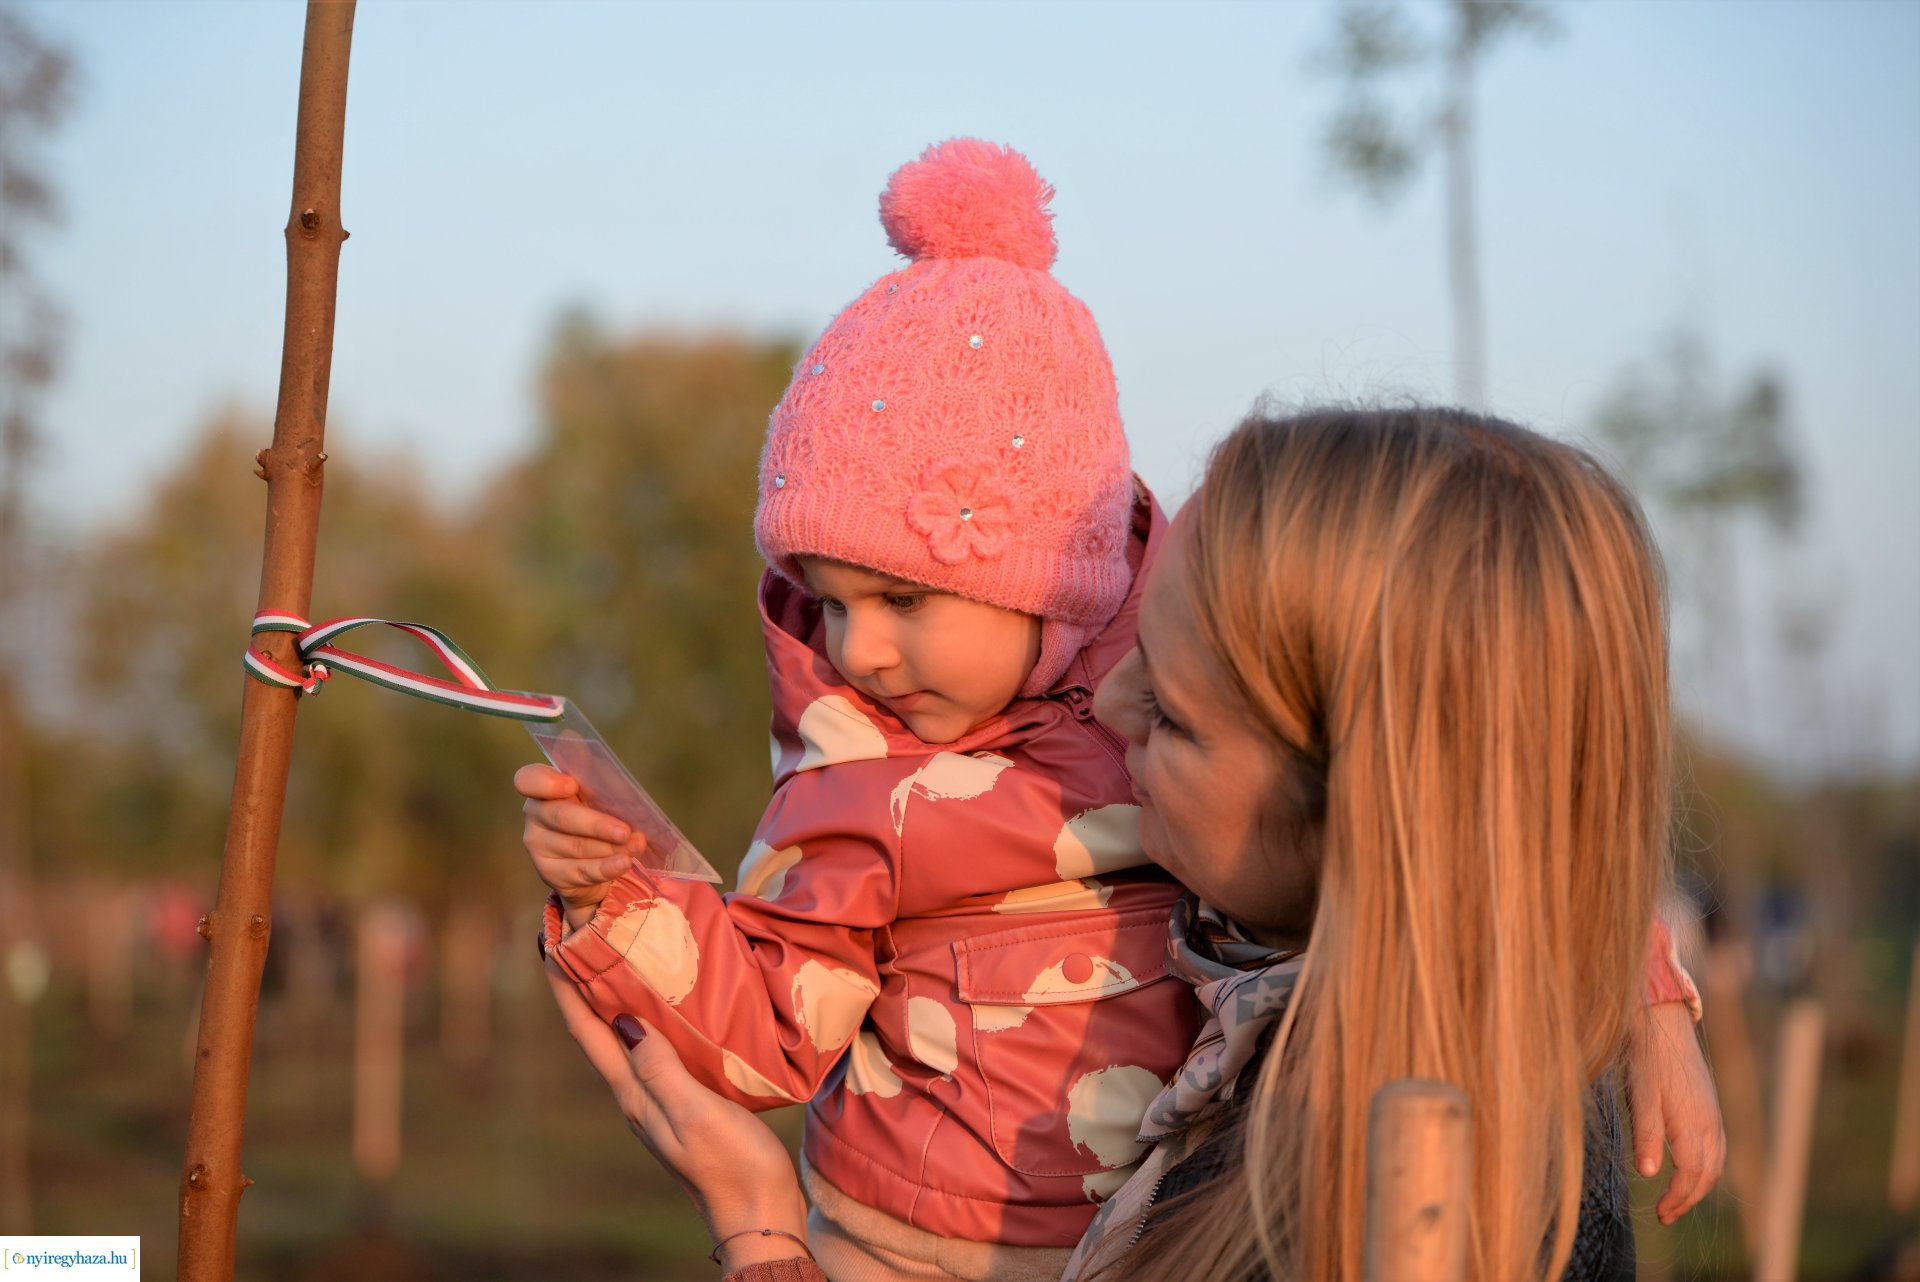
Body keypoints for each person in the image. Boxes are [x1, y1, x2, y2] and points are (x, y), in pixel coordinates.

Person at [543, 406, 1727, 1282]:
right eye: (1122, 658)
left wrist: (762, 1235)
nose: (1105, 716)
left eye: (1172, 713)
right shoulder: (1298, 1043)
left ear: (1372, 804)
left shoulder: (1349, 1217)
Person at [524, 138, 1200, 1282]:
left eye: (902, 595)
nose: (862, 650)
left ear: (1062, 569)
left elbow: (1417, 803)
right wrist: (615, 894)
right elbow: (772, 1025)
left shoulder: (1209, 704)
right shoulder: (858, 770)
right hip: (905, 1248)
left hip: (1183, 1238)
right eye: (830, 603)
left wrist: (1609, 933)